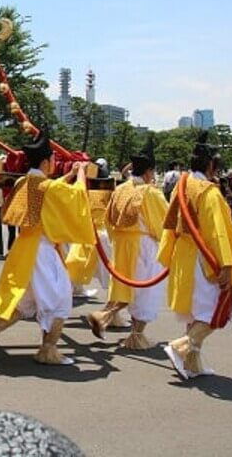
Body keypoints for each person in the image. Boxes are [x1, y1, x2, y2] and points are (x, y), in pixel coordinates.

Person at [0, 130, 94, 365]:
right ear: (45, 161)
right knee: (59, 299)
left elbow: (51, 191)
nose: (54, 164)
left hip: (24, 248)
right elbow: (76, 197)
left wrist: (68, 176)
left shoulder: (25, 181)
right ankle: (48, 349)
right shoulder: (45, 187)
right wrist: (81, 174)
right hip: (41, 252)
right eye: (52, 160)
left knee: (27, 301)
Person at [159, 132, 232, 379]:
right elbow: (218, 230)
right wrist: (227, 264)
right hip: (202, 256)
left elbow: (170, 222)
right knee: (214, 311)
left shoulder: (181, 186)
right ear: (211, 166)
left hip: (183, 254)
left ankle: (193, 363)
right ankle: (180, 348)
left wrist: (166, 252)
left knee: (195, 311)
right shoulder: (207, 191)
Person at [86, 138, 168, 349]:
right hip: (143, 245)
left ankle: (105, 316)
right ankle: (136, 334)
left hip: (122, 244)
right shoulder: (151, 193)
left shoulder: (121, 189)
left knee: (126, 286)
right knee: (145, 289)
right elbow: (164, 225)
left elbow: (109, 218)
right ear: (149, 171)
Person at [65, 159, 114, 301]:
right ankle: (113, 307)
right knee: (110, 274)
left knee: (75, 265)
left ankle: (72, 290)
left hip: (86, 234)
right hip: (99, 236)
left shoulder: (85, 191)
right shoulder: (107, 193)